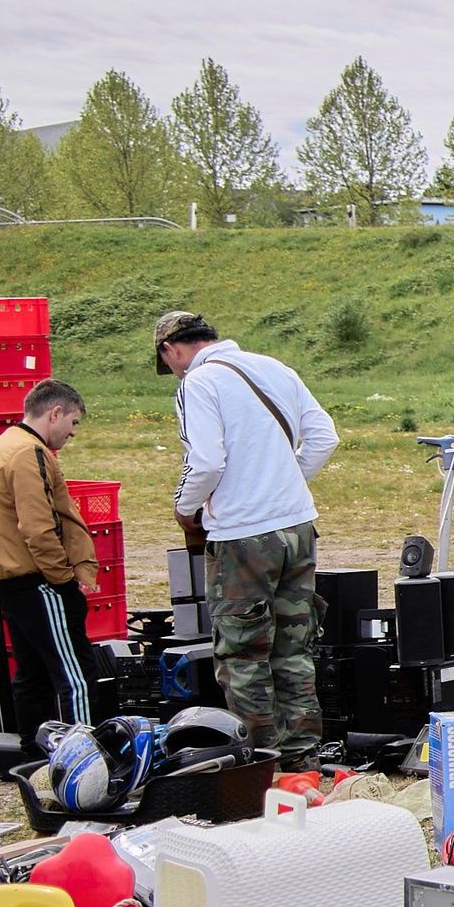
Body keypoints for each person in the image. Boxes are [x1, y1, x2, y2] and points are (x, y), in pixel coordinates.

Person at [157, 311, 340, 768]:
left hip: (242, 536)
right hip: (297, 528)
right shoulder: (276, 368)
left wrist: (185, 509)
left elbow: (205, 462)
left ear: (172, 350)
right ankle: (302, 767)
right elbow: (324, 437)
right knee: (293, 652)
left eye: (170, 364)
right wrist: (283, 484)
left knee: (244, 656)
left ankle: (263, 768)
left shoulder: (197, 384)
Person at [0, 379, 99, 747]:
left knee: (32, 673)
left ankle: (32, 752)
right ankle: (88, 757)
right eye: (73, 423)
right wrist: (62, 580)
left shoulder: (2, 445)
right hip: (35, 579)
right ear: (55, 413)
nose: (72, 433)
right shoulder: (29, 452)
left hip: (7, 578)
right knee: (75, 673)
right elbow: (37, 526)